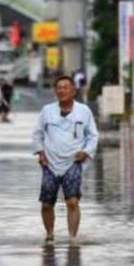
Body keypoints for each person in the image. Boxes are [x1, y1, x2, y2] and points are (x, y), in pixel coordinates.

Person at [31, 76, 99, 246]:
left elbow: (93, 136)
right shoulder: (47, 111)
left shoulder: (84, 111)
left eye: (65, 87)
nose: (62, 91)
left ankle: (72, 238)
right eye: (59, 88)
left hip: (73, 162)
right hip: (50, 163)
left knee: (73, 202)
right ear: (56, 91)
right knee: (47, 204)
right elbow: (37, 134)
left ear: (73, 91)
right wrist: (40, 152)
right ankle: (50, 235)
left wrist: (86, 151)